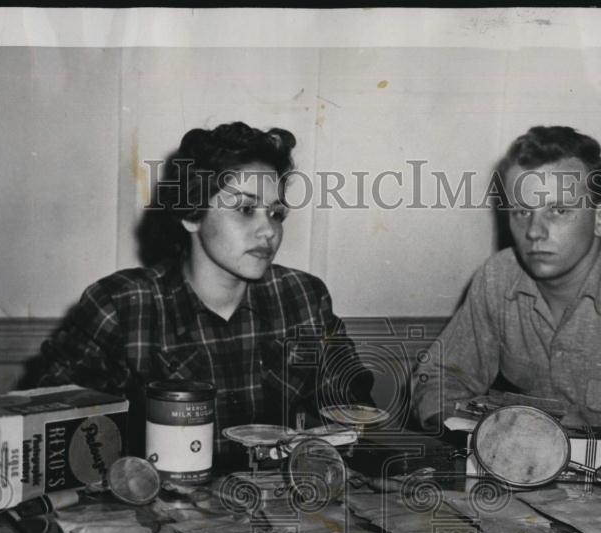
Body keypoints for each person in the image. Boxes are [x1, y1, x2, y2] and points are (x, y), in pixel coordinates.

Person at [30, 122, 373, 459]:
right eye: (245, 209)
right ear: (192, 214)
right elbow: (51, 439)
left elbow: (358, 417)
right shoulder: (121, 306)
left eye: (276, 213)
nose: (268, 230)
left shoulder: (302, 298)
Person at [412, 126, 601, 453]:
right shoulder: (497, 278)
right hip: (517, 487)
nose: (534, 232)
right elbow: (438, 378)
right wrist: (473, 433)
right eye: (522, 211)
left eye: (558, 211)